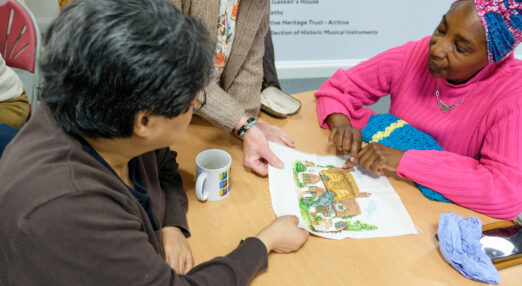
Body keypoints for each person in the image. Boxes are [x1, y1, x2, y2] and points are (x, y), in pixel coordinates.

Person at [0, 0, 308, 284]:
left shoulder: (106, 120)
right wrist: (264, 242)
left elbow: (165, 164)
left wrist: (169, 224)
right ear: (145, 122)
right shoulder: (73, 209)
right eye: (194, 100)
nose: (198, 103)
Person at [315, 0, 522, 220]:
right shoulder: (417, 53)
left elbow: (505, 194)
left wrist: (403, 160)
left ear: (494, 58)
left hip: (445, 217)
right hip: (395, 193)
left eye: (460, 48)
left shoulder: (513, 94)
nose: (437, 48)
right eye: (441, 30)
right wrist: (341, 123)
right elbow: (340, 87)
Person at [171, 0, 295, 176]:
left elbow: (249, 60)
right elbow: (176, 71)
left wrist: (249, 125)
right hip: (163, 123)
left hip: (213, 122)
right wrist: (243, 123)